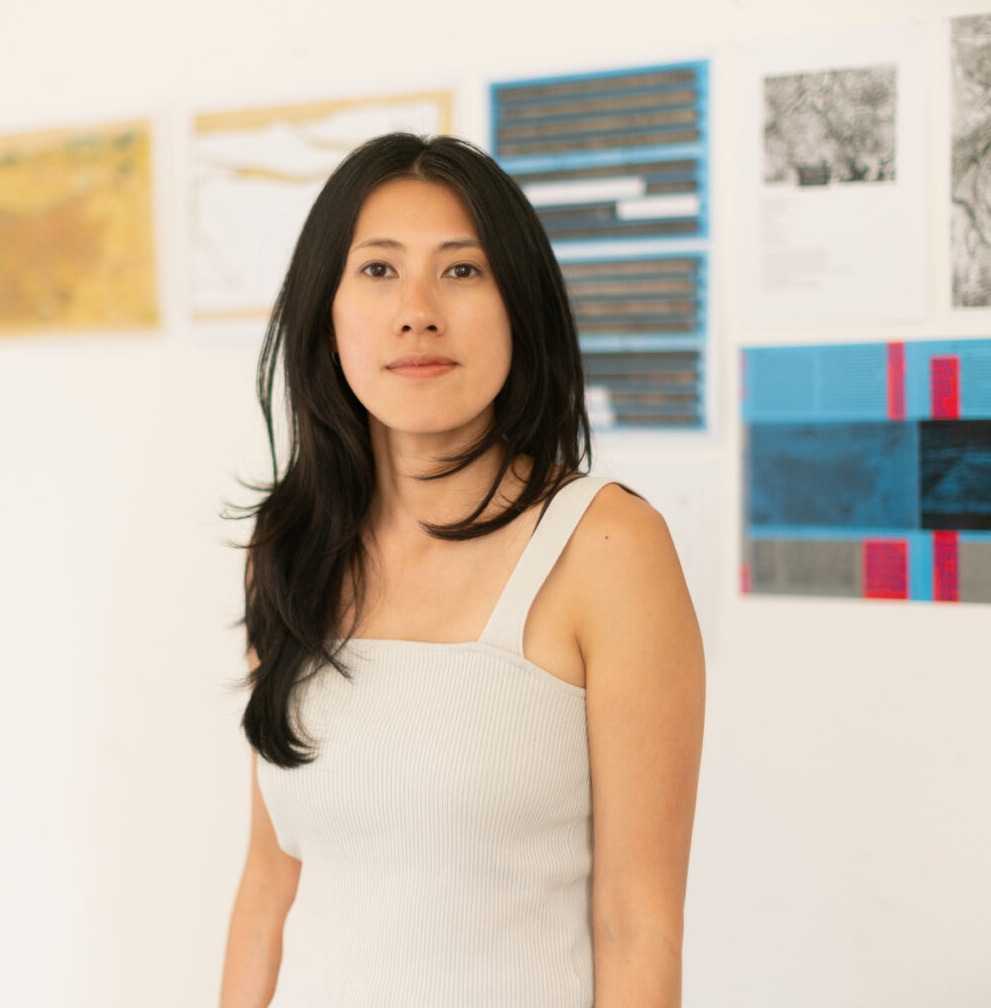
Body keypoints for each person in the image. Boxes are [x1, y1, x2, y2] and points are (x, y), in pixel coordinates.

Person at [218, 133, 704, 1007]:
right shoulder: (289, 547)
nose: (417, 311)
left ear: (520, 305)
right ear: (325, 312)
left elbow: (638, 924)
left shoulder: (607, 546)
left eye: (462, 269)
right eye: (378, 270)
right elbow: (269, 882)